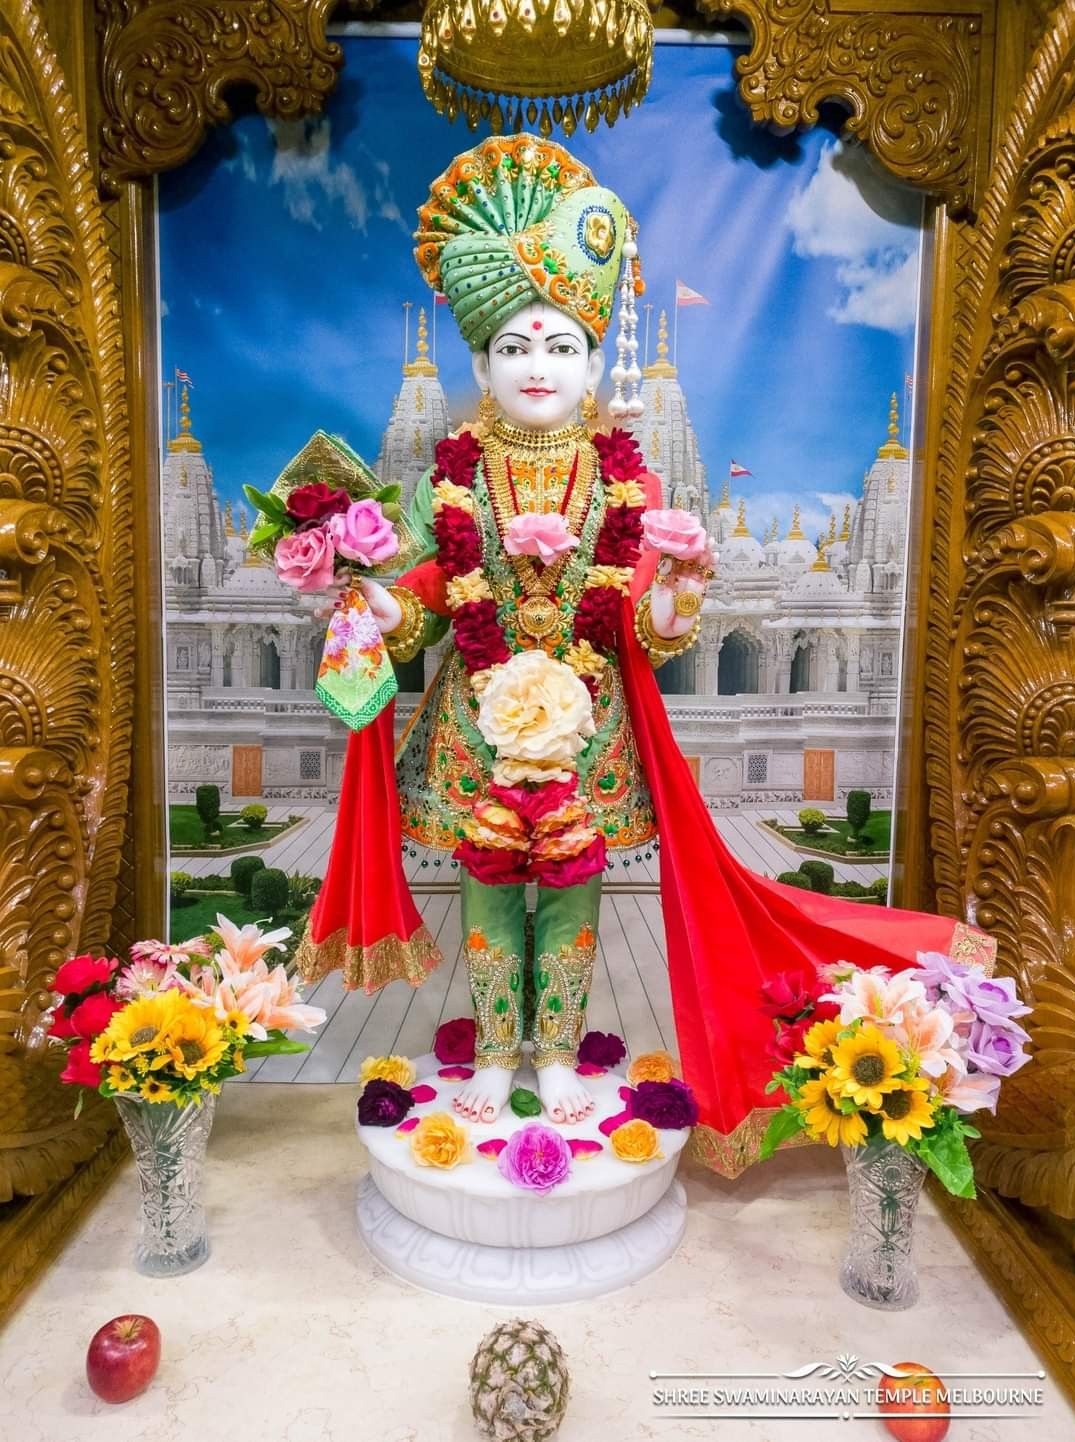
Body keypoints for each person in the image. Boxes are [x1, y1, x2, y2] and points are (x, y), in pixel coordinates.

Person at [296, 134, 995, 1176]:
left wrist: (680, 585)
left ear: (593, 365)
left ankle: (559, 1055)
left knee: (573, 893)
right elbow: (435, 597)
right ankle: (495, 1052)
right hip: (477, 728)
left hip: (588, 729)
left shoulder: (629, 481)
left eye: (562, 346)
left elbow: (643, 621)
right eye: (515, 347)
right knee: (488, 892)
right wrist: (362, 591)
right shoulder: (455, 476)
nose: (539, 367)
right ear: (480, 366)